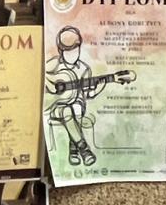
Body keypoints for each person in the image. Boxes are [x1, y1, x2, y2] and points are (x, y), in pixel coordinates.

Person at [43, 26, 135, 166]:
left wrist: (97, 88)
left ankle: (75, 149)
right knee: (66, 110)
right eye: (68, 52)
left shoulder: (84, 69)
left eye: (76, 50)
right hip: (56, 105)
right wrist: (49, 87)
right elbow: (41, 78)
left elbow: (88, 95)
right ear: (61, 51)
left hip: (77, 103)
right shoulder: (52, 65)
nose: (73, 55)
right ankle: (83, 149)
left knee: (74, 109)